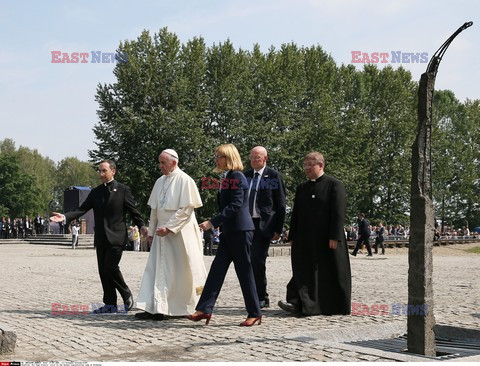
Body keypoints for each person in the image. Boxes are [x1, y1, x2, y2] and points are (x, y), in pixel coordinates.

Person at [50, 159, 147, 314]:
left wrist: (142, 226)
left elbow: (133, 211)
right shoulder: (95, 192)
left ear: (113, 171)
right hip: (101, 236)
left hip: (117, 236)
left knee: (111, 267)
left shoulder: (123, 190)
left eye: (104, 171)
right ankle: (110, 305)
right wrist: (65, 216)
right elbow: (81, 209)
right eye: (99, 171)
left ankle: (126, 293)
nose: (100, 174)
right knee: (103, 270)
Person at [189, 143, 261, 326]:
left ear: (228, 158)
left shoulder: (236, 176)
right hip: (230, 232)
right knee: (216, 270)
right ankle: (204, 309)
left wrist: (212, 222)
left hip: (241, 231)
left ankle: (255, 313)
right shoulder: (227, 177)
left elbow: (236, 205)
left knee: (245, 272)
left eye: (219, 156)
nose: (216, 159)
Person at [135, 149, 207, 321]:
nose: (160, 166)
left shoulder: (185, 180)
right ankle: (154, 307)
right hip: (161, 233)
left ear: (174, 163)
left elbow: (186, 210)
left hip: (179, 233)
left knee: (178, 271)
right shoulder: (159, 181)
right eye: (159, 162)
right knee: (156, 269)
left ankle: (175, 308)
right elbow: (154, 209)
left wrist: (169, 228)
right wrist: (151, 232)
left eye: (163, 163)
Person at [278, 151, 351, 316]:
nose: (307, 168)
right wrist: (293, 236)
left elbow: (338, 212)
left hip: (326, 239)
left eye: (311, 165)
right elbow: (296, 213)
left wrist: (334, 237)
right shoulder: (302, 188)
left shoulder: (334, 185)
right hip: (305, 239)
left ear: (321, 165)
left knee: (326, 273)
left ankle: (328, 306)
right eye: (305, 165)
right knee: (302, 270)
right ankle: (298, 303)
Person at [244, 146, 286, 308]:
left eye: (258, 158)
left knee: (257, 259)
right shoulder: (245, 176)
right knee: (247, 261)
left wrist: (278, 229)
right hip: (247, 224)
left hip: (264, 225)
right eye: (252, 157)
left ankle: (262, 296)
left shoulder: (273, 176)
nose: (254, 160)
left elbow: (281, 204)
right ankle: (253, 295)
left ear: (265, 159)